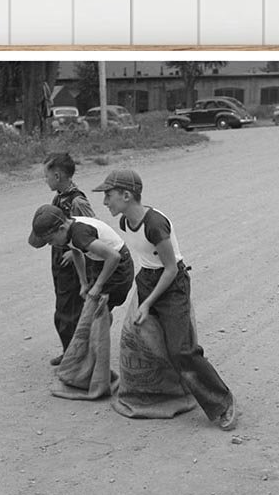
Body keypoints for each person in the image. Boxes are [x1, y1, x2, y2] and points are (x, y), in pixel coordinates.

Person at [92, 168, 238, 430]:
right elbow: (147, 260)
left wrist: (147, 304)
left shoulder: (155, 224)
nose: (105, 202)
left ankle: (222, 402)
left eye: (108, 195)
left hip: (171, 286)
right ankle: (159, 393)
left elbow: (170, 269)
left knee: (181, 350)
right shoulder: (125, 221)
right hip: (147, 279)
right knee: (137, 341)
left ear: (126, 195)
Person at [28, 152, 95, 365]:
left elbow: (91, 230)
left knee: (70, 312)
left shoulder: (77, 201)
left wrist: (73, 251)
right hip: (60, 263)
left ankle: (76, 357)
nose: (45, 180)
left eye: (46, 175)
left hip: (74, 264)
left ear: (57, 176)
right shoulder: (59, 197)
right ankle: (70, 351)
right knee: (63, 309)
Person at [29, 205, 135, 315]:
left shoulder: (79, 235)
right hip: (100, 261)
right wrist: (83, 282)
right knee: (94, 308)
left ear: (61, 228)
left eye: (51, 240)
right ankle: (100, 326)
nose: (51, 244)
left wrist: (98, 285)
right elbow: (76, 252)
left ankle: (99, 327)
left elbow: (114, 256)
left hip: (118, 266)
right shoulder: (69, 228)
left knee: (96, 312)